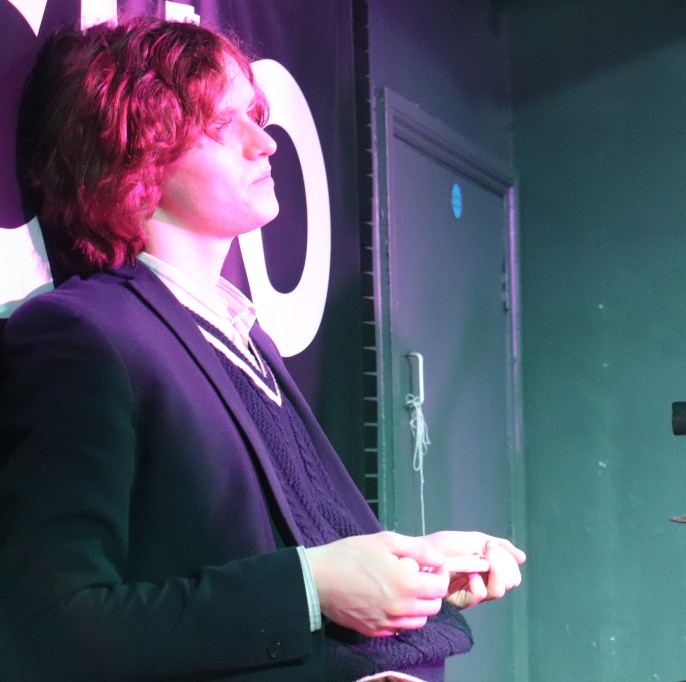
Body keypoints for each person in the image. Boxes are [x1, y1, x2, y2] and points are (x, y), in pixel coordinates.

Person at [0, 16, 525, 682]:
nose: (264, 141)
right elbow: (48, 634)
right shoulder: (82, 334)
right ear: (133, 149)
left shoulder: (243, 336)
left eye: (255, 115)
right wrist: (312, 586)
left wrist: (414, 569)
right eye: (223, 124)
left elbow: (290, 563)